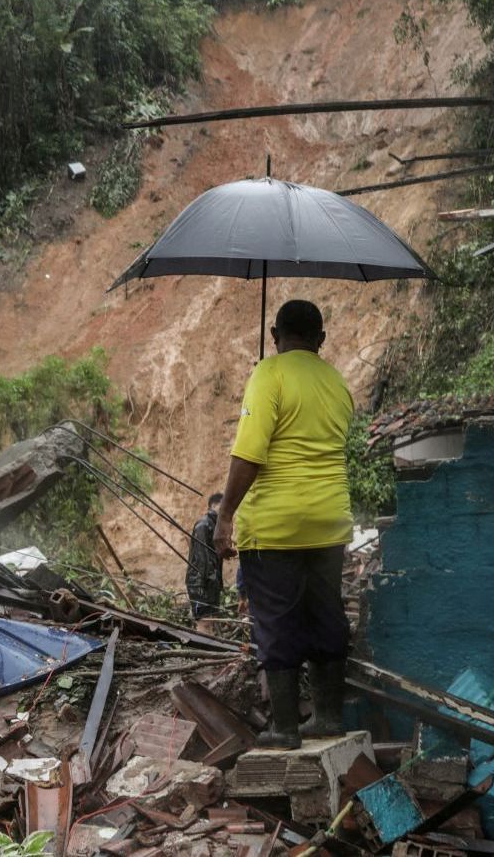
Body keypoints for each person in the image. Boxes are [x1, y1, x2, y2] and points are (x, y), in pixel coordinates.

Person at [212, 299, 353, 749]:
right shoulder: (336, 381)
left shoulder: (268, 374)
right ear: (321, 340)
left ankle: (285, 727)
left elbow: (249, 452)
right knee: (325, 614)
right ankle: (329, 716)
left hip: (276, 527)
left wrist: (226, 514)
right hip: (329, 522)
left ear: (275, 337)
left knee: (276, 620)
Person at [185, 493, 225, 634]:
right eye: (223, 505)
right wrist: (211, 579)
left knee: (211, 621)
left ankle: (209, 655)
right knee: (204, 621)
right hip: (200, 581)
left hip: (210, 581)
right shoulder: (204, 525)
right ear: (213, 506)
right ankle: (204, 654)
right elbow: (202, 557)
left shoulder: (216, 525)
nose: (226, 509)